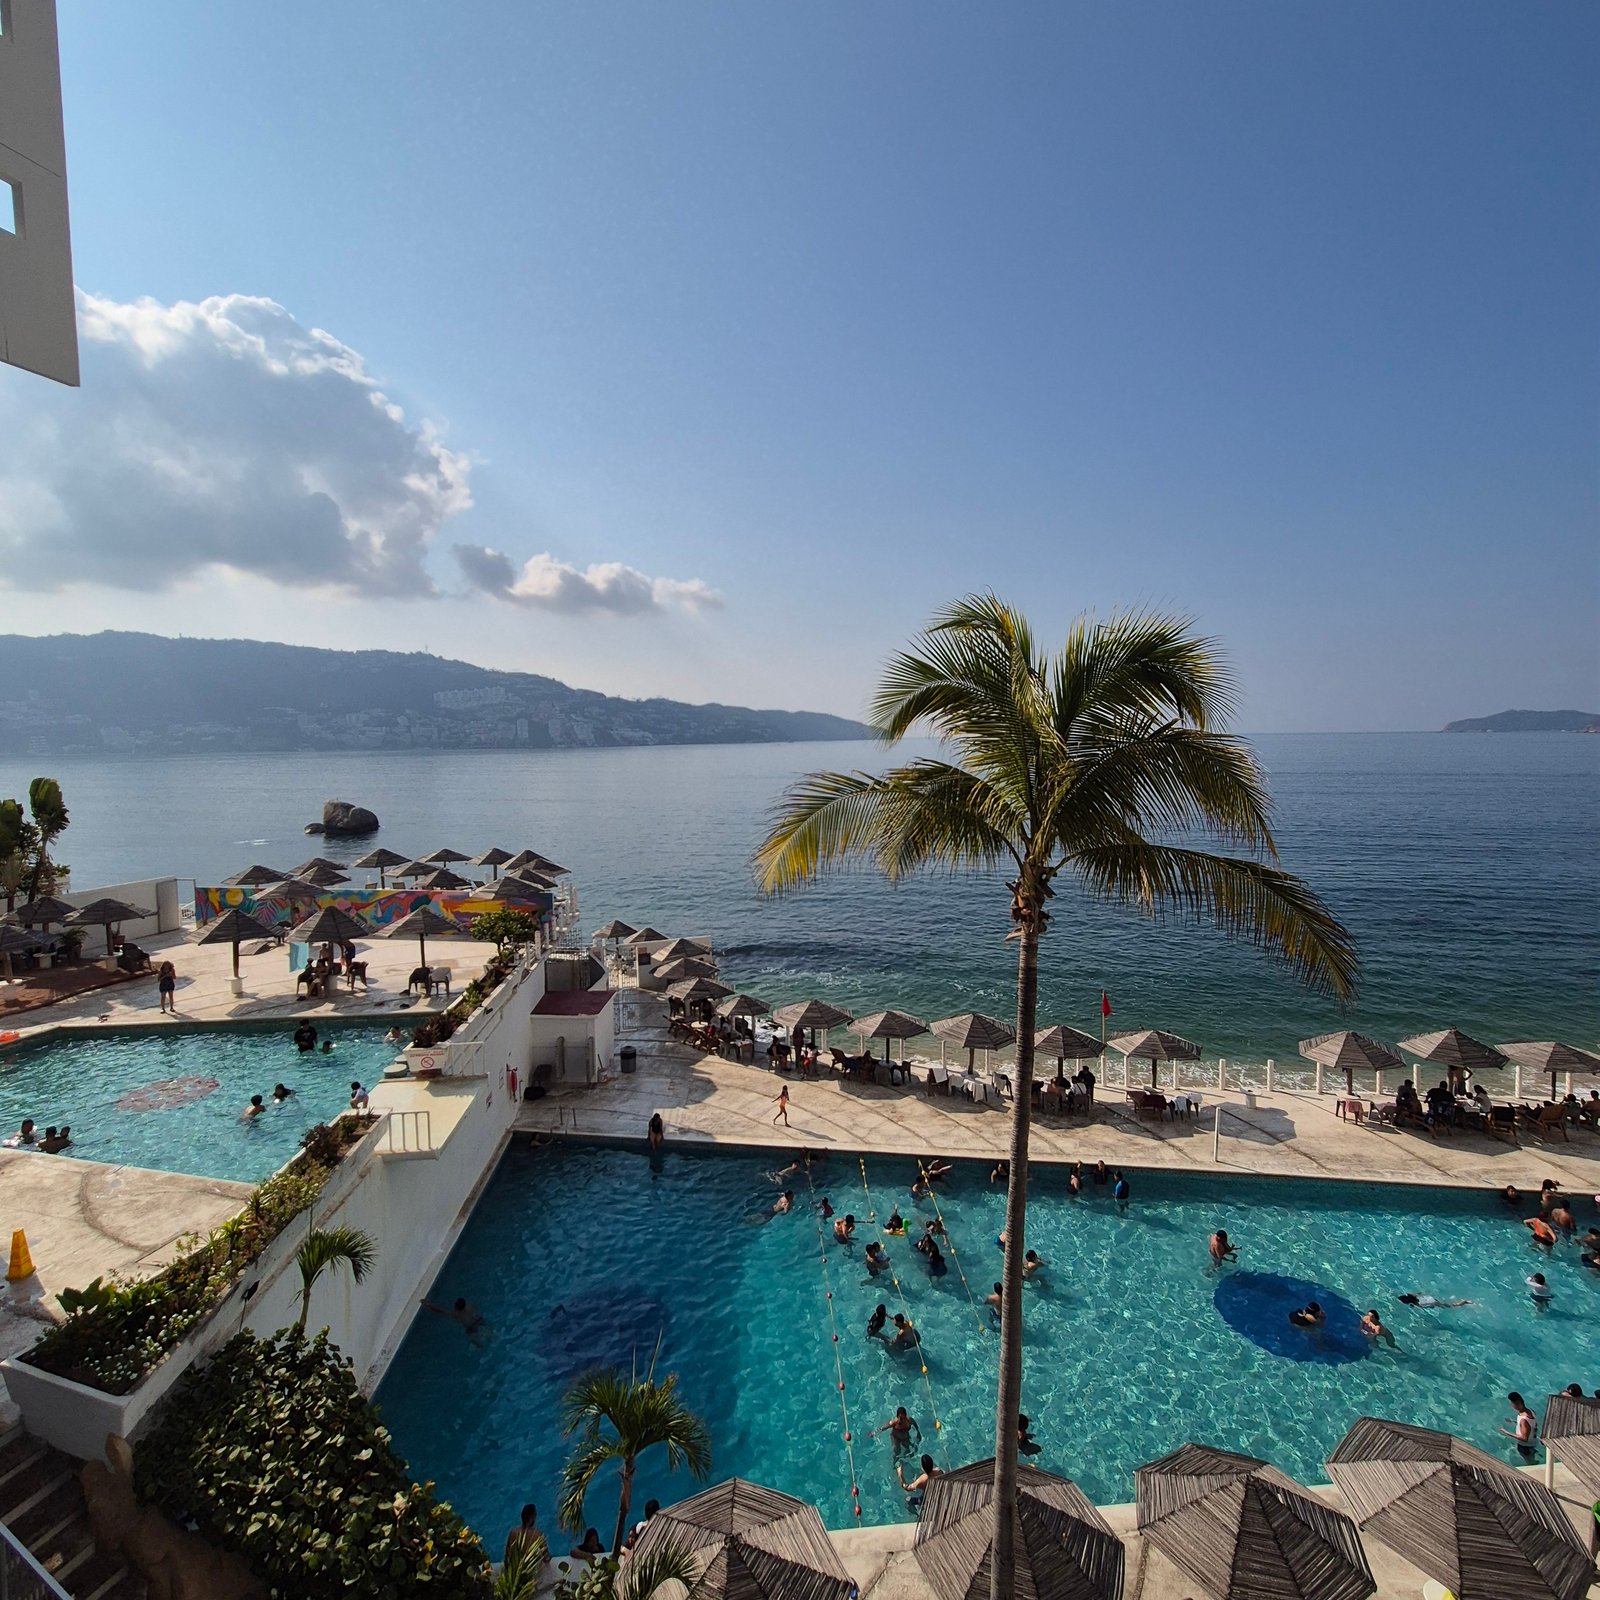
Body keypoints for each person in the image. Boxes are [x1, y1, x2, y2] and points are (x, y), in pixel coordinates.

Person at [505, 1504, 548, 1569]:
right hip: (531, 1572)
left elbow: (507, 1558)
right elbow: (546, 1558)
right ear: (532, 1517)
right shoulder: (537, 1534)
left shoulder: (513, 1533)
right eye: (535, 1515)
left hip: (515, 1572)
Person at [1499, 1394, 1538, 1460]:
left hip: (1525, 1447)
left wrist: (1506, 1432)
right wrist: (1514, 1421)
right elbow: (1530, 1424)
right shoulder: (1531, 1411)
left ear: (1515, 1404)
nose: (1511, 1406)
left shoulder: (1523, 1420)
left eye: (1511, 1404)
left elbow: (1524, 1438)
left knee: (1529, 1462)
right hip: (1533, 1442)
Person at [1398, 1293, 1473, 1308]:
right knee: (1445, 1302)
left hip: (1432, 1302)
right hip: (1430, 1298)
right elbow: (1421, 1293)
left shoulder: (1415, 1304)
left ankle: (1464, 1302)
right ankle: (1463, 1302)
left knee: (1451, 1306)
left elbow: (1423, 1306)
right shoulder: (1414, 1296)